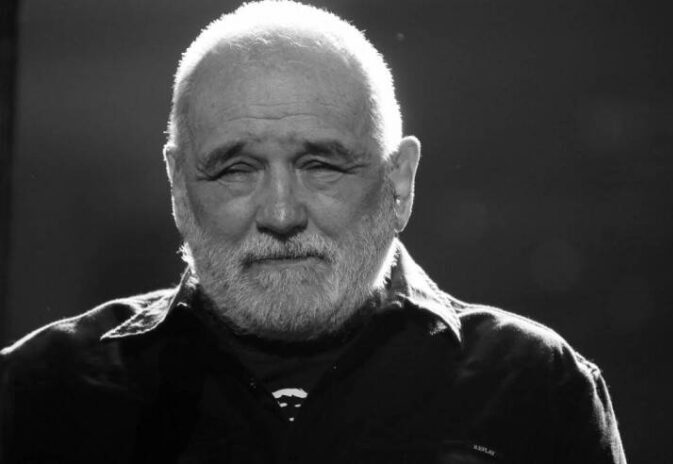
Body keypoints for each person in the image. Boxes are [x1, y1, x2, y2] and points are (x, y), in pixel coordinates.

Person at [0, 1, 626, 463]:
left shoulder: (535, 386)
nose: (280, 214)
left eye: (321, 165)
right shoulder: (38, 392)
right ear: (178, 185)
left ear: (399, 180)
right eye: (235, 169)